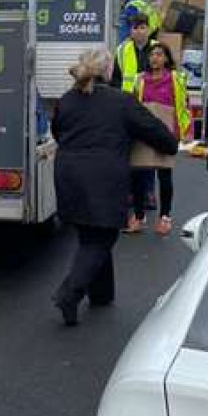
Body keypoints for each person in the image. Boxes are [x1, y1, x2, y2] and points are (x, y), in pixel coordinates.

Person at [51, 48, 179, 327]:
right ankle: (69, 293)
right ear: (109, 70)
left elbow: (57, 132)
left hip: (68, 173)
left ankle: (101, 295)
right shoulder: (121, 102)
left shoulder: (67, 100)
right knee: (102, 238)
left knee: (90, 235)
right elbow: (157, 133)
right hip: (103, 177)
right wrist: (170, 146)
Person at [128, 42, 193, 236]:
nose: (155, 58)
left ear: (166, 59)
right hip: (143, 131)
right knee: (137, 173)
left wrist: (185, 131)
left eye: (159, 54)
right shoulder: (140, 79)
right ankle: (139, 217)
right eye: (152, 55)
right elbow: (132, 105)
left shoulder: (175, 78)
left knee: (165, 175)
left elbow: (183, 105)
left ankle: (165, 217)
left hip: (166, 131)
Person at [111, 14, 156, 92]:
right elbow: (115, 79)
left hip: (152, 97)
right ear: (130, 31)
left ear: (148, 30)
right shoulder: (122, 49)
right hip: (128, 97)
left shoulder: (157, 48)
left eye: (142, 28)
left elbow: (166, 75)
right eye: (135, 28)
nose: (139, 31)